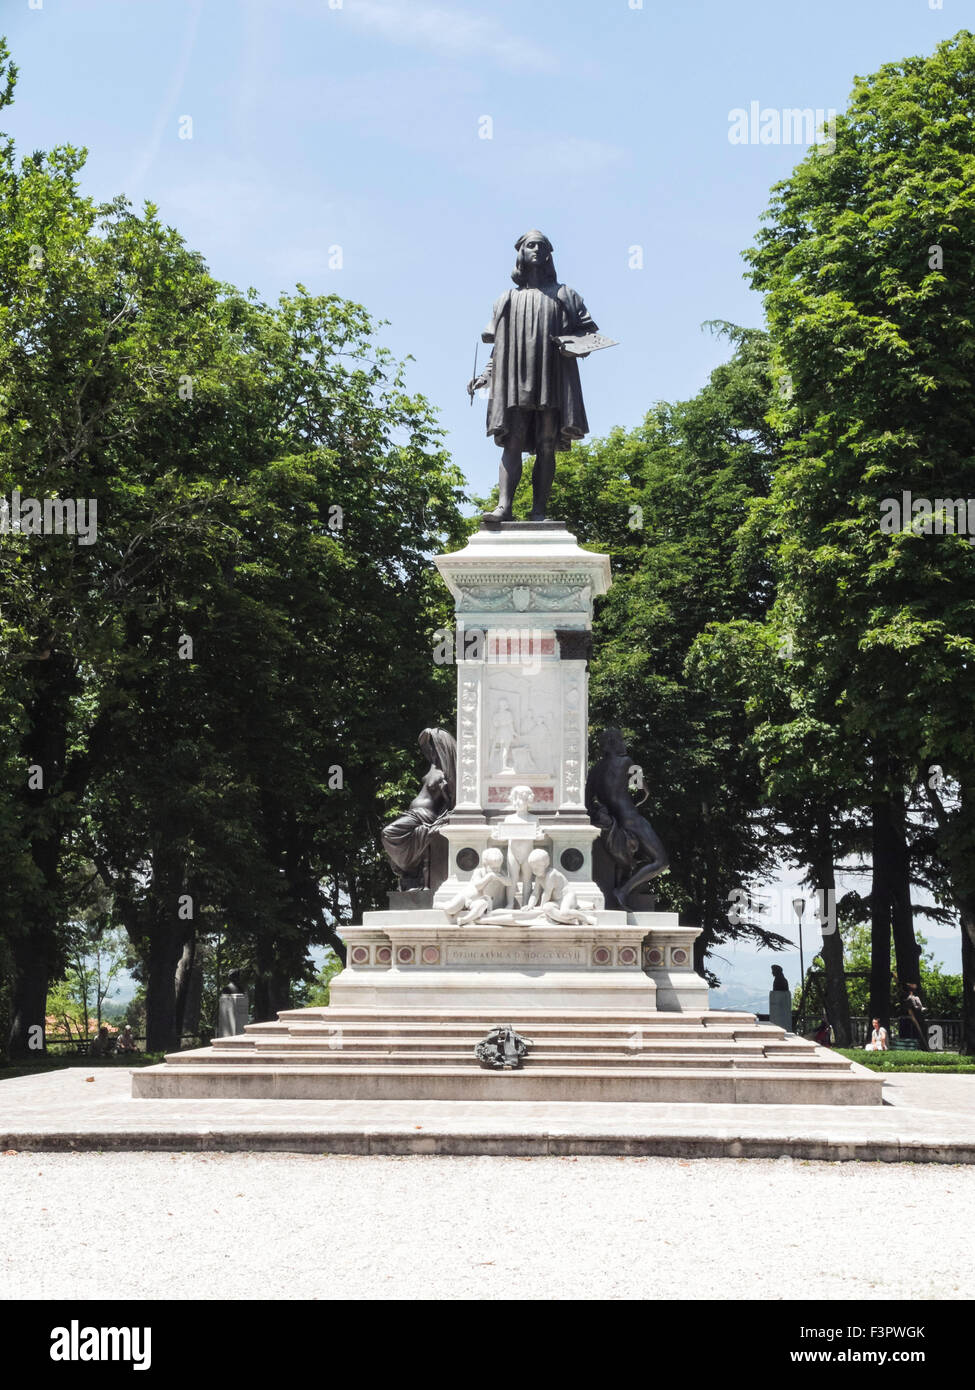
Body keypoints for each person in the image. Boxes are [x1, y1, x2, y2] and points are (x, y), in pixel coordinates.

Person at [468, 230, 599, 522]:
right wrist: (485, 376)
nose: (537, 249)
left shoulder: (565, 294)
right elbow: (498, 348)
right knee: (512, 439)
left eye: (542, 246)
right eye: (531, 245)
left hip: (551, 376)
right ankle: (504, 507)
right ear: (521, 253)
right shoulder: (507, 300)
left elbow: (589, 333)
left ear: (549, 254)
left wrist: (574, 346)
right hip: (514, 377)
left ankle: (539, 510)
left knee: (546, 441)